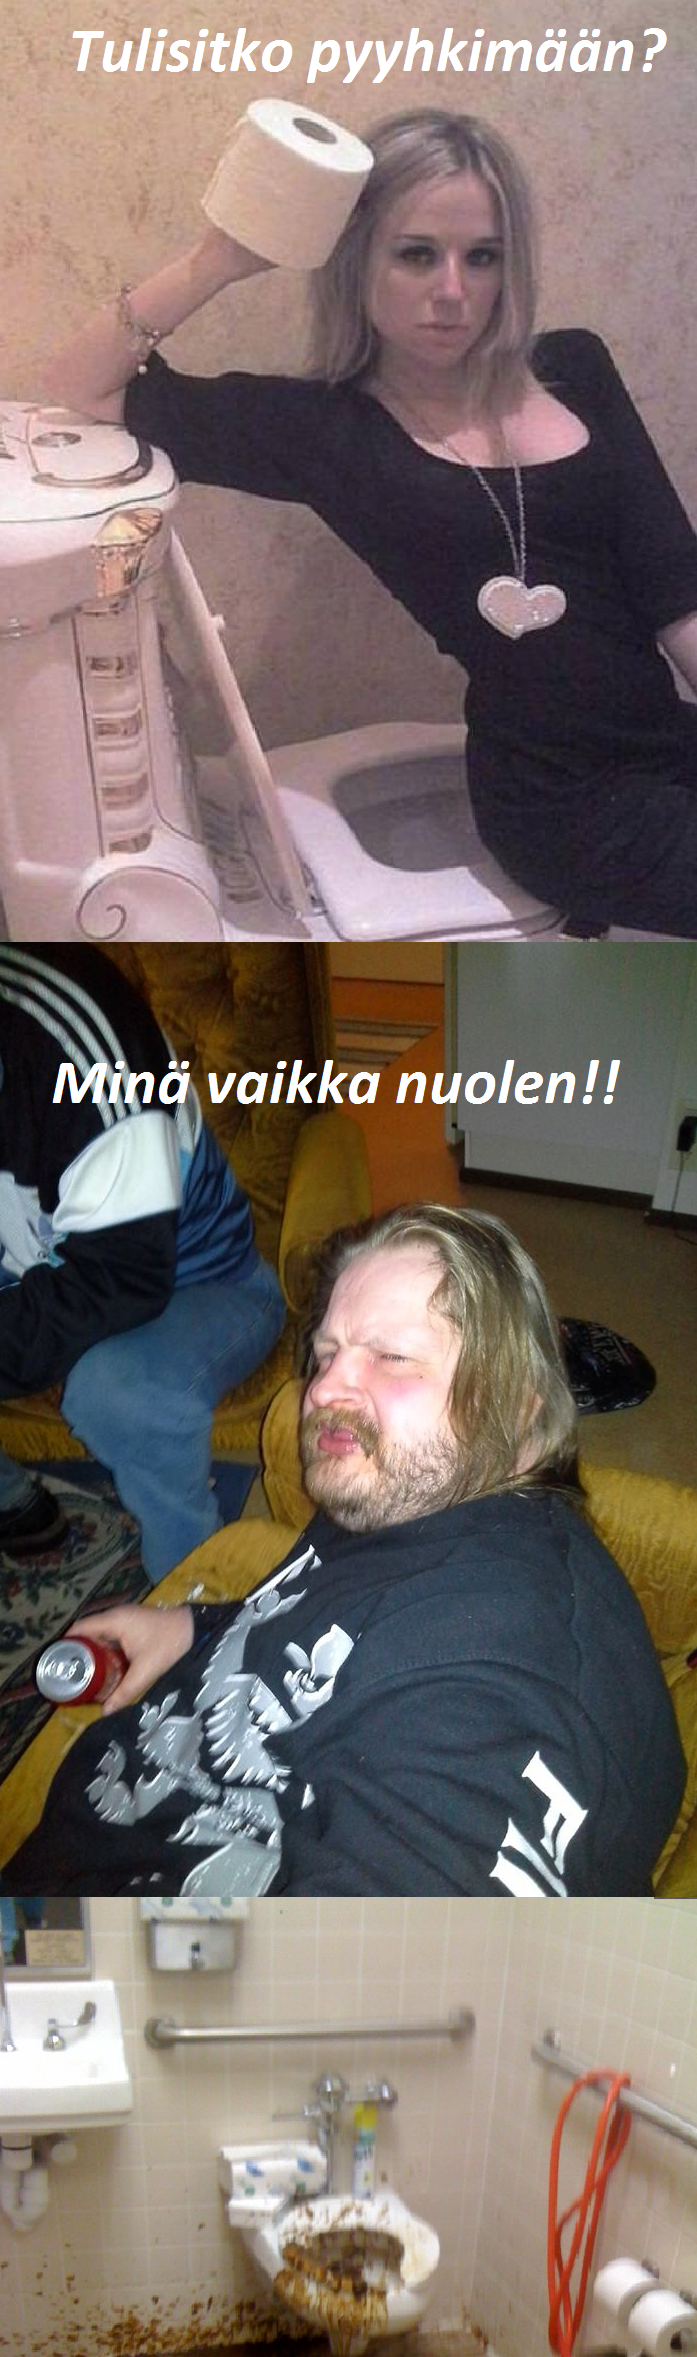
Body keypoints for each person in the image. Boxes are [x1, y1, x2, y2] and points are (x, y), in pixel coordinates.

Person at [43, 111, 697, 937]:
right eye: (415, 254)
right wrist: (222, 256)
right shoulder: (327, 432)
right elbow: (80, 385)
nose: (452, 290)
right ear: (358, 261)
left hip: (667, 741)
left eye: (481, 256)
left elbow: (676, 590)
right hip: (563, 805)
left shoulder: (573, 366)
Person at [5, 1204, 685, 1897]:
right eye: (327, 1353)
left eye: (392, 1357)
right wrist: (194, 1628)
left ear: (518, 1407)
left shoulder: (504, 1684)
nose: (324, 1387)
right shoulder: (419, 1489)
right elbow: (334, 1615)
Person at [0, 946, 284, 1580]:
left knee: (118, 1394)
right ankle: (15, 1503)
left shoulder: (81, 1053)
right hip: (44, 1264)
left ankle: (197, 1589)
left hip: (206, 1282)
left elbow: (119, 1281)